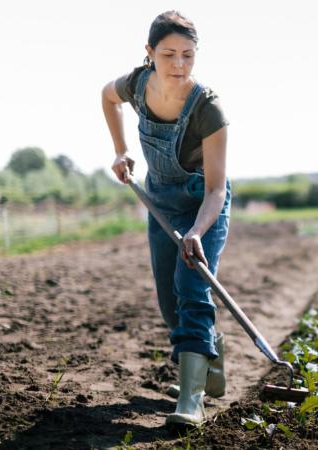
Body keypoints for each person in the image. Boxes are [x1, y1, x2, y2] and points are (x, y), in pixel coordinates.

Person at [101, 11, 230, 428]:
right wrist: (121, 150)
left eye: (188, 56)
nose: (179, 65)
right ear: (150, 53)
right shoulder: (137, 85)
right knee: (169, 302)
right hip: (160, 203)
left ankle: (191, 401)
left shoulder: (208, 109)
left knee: (191, 288)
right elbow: (107, 96)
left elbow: (215, 190)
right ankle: (209, 349)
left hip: (201, 208)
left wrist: (196, 231)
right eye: (169, 54)